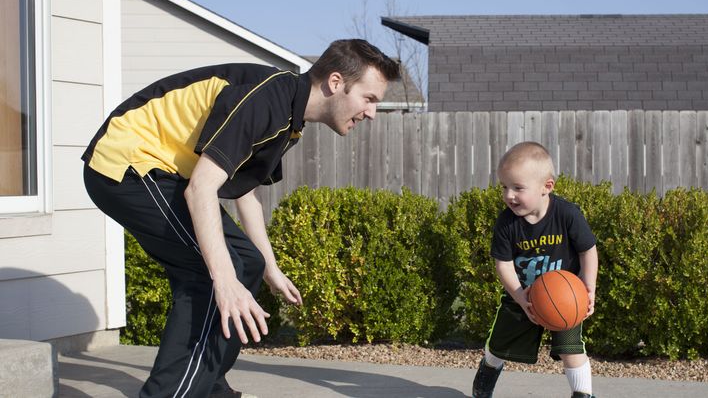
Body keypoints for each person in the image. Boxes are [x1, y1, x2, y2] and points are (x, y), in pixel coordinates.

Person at [82, 39, 400, 398]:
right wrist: (223, 279)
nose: (372, 112)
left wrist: (270, 268)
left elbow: (244, 192)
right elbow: (200, 188)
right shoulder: (267, 101)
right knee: (211, 273)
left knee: (246, 262)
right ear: (336, 82)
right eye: (369, 99)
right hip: (126, 164)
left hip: (163, 172)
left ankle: (208, 384)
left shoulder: (289, 115)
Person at [471, 141, 599, 398]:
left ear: (546, 187)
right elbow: (503, 264)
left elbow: (588, 250)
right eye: (504, 187)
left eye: (518, 188)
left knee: (571, 348)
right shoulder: (507, 223)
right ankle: (488, 370)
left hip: (565, 297)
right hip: (523, 294)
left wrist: (588, 288)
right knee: (499, 346)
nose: (509, 195)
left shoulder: (567, 214)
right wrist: (520, 297)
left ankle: (583, 394)